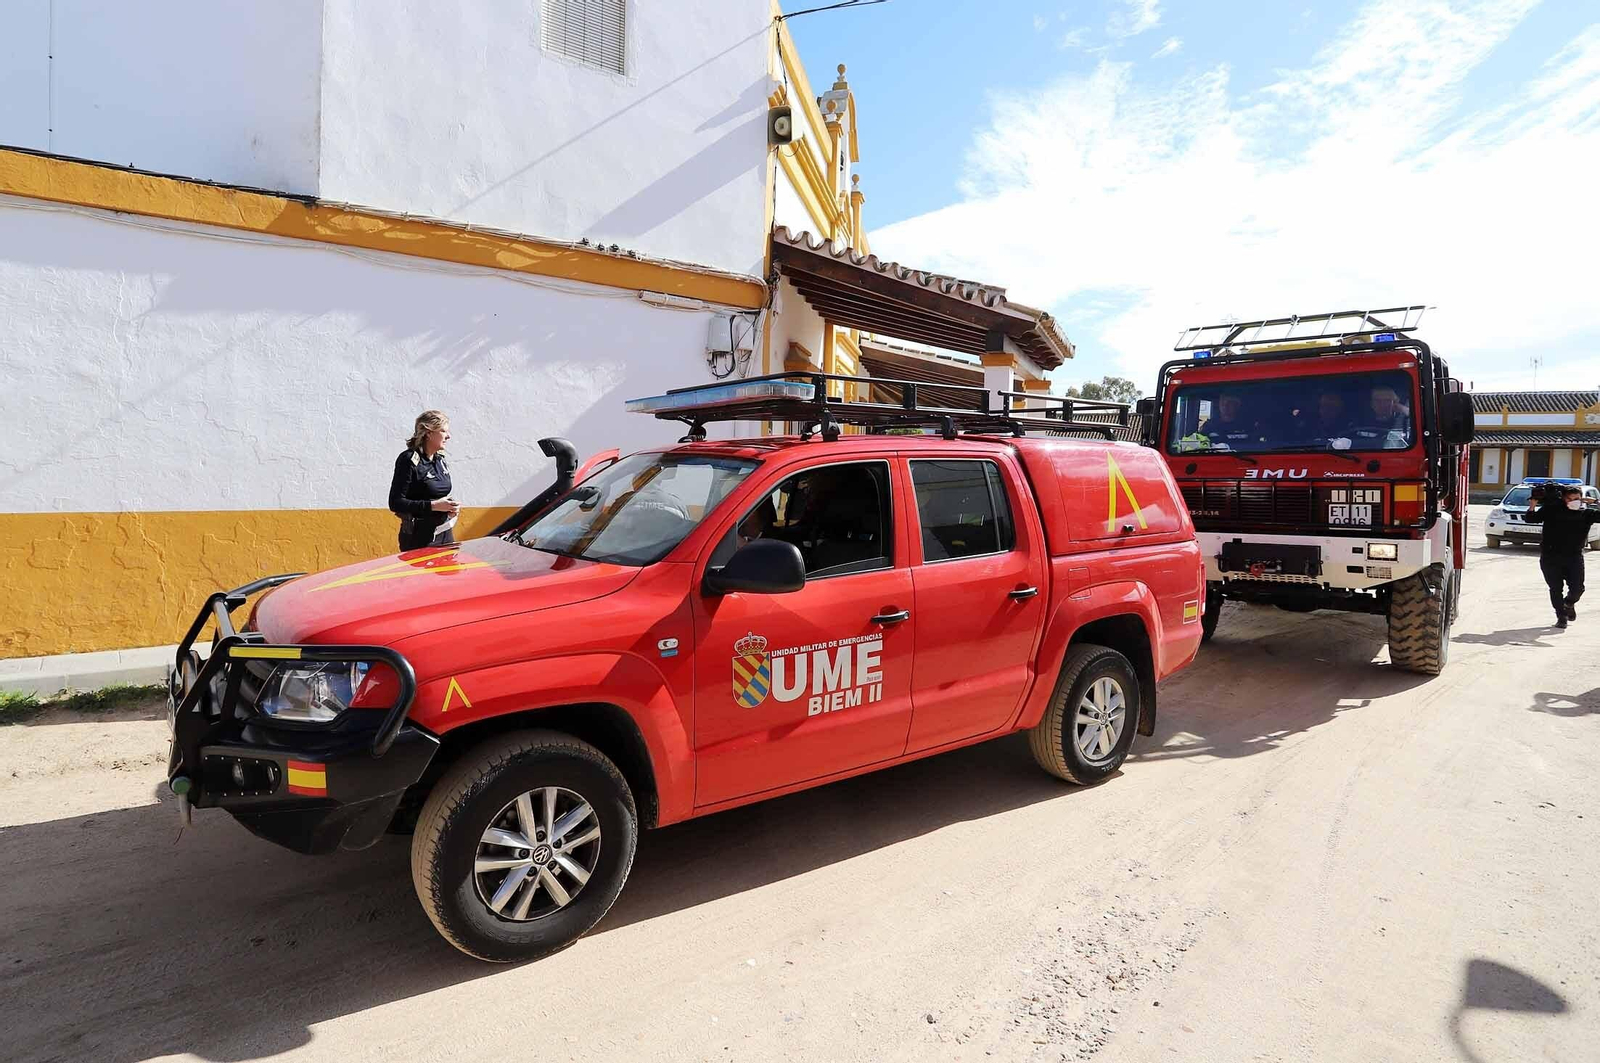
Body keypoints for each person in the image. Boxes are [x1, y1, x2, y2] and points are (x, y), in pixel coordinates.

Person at [1522, 483, 1600, 628]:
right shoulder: (1552, 509)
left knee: (1578, 588)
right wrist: (1532, 505)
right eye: (1571, 499)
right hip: (1550, 556)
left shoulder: (1586, 513)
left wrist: (1596, 502)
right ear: (1564, 499)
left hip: (1574, 556)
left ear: (1582, 498)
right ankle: (1561, 616)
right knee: (1555, 588)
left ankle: (1569, 603)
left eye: (1577, 498)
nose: (1574, 501)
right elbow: (1531, 519)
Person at [389, 410, 459, 551]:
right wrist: (433, 506)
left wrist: (450, 507)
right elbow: (395, 503)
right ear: (429, 432)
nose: (448, 436)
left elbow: (437, 494)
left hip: (444, 533)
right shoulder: (409, 460)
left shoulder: (440, 460)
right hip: (418, 537)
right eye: (443, 431)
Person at [1351, 385, 1411, 449]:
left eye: (1387, 400)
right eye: (1377, 401)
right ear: (1371, 403)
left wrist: (1403, 409)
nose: (1383, 404)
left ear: (1394, 403)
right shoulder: (1360, 423)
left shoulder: (1402, 423)